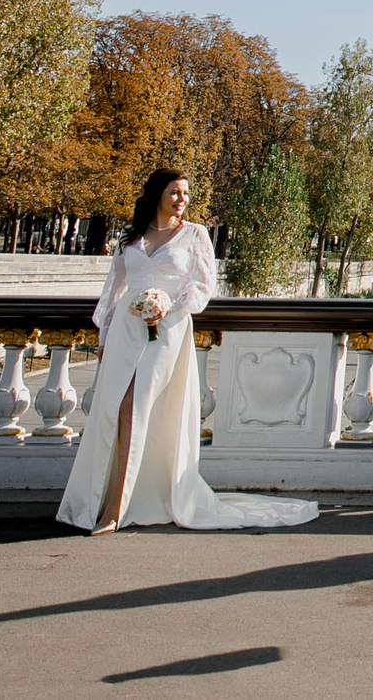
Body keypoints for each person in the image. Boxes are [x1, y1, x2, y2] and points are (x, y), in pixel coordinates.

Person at [56, 169, 317, 534]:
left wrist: (167, 305)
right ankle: (110, 498)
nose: (182, 199)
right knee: (113, 411)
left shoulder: (195, 235)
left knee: (139, 407)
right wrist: (103, 338)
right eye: (175, 192)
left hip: (168, 330)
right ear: (156, 195)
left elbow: (203, 285)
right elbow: (113, 291)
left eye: (186, 193)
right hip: (125, 331)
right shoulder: (129, 236)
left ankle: (116, 509)